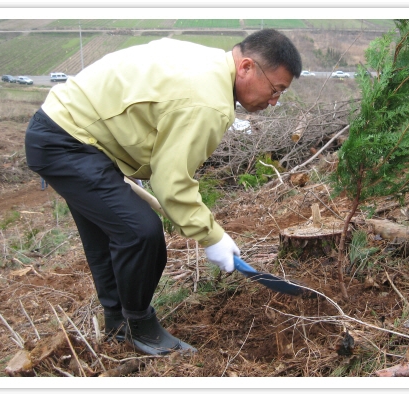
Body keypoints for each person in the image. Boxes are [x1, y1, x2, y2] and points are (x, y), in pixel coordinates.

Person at [24, 29, 302, 356]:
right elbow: (172, 185)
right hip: (68, 141)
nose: (274, 101)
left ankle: (117, 326)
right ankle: (141, 328)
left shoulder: (209, 63)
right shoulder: (209, 101)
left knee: (109, 234)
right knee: (140, 233)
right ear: (245, 68)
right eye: (275, 89)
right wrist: (213, 237)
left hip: (70, 130)